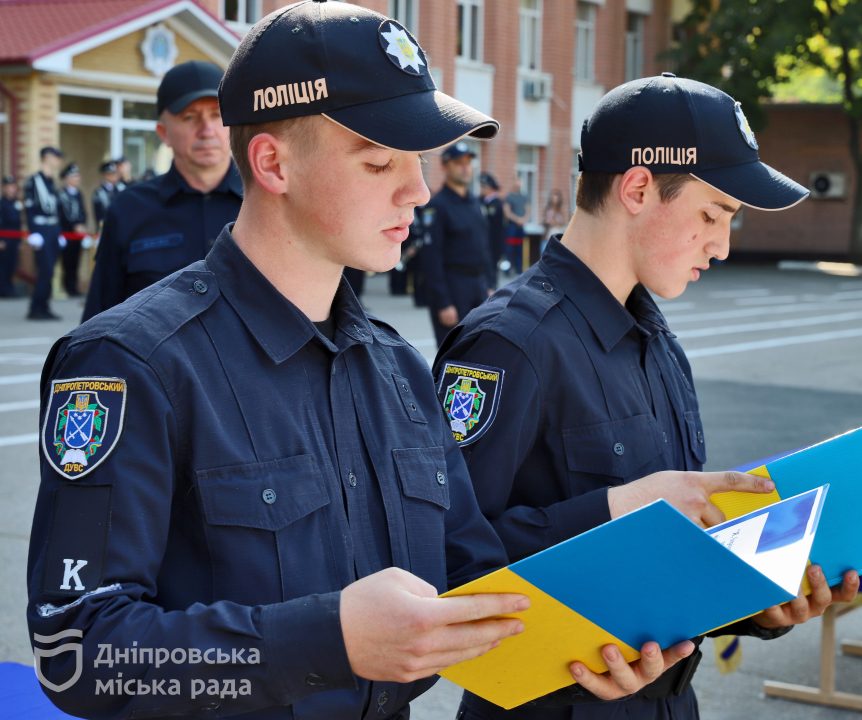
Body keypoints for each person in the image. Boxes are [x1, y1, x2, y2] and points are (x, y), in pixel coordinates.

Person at [27, 5, 688, 719]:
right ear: (274, 163)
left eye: (421, 162)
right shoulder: (134, 363)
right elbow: (81, 656)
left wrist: (596, 644)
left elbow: (477, 578)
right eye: (380, 163)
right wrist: (327, 639)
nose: (419, 190)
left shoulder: (398, 370)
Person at [434, 73, 861, 720]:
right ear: (637, 188)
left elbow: (666, 565)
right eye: (712, 214)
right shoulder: (508, 345)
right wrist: (616, 507)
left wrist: (753, 606)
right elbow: (442, 560)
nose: (721, 245)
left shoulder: (656, 341)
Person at [81, 60, 242, 322]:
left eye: (216, 115)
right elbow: (100, 318)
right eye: (190, 117)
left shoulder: (270, 201)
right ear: (163, 132)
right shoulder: (129, 210)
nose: (206, 130)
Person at [419, 141, 495, 347]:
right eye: (458, 163)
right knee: (452, 352)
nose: (465, 167)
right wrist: (443, 302)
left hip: (478, 286)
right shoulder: (437, 206)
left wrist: (490, 285)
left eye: (468, 162)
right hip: (453, 286)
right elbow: (431, 257)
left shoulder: (475, 203)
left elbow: (484, 247)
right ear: (445, 166)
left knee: (480, 349)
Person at [23, 146, 63, 320]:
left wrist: (59, 232)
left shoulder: (51, 181)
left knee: (50, 271)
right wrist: (33, 232)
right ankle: (35, 308)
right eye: (56, 157)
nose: (58, 161)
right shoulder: (33, 180)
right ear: (46, 157)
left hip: (52, 230)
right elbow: (29, 207)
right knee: (45, 270)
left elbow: (56, 209)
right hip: (41, 229)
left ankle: (44, 306)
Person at [57, 162, 88, 298]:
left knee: (76, 261)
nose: (77, 179)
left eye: (77, 176)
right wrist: (72, 227)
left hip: (78, 234)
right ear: (67, 178)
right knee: (67, 262)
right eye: (74, 176)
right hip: (66, 233)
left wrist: (82, 225)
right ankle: (67, 287)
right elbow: (61, 214)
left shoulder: (78, 194)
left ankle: (74, 287)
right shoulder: (61, 194)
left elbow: (82, 212)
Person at [0, 174, 23, 298]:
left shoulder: (16, 203)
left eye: (12, 186)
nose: (10, 189)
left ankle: (9, 288)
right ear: (3, 188)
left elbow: (18, 223)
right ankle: (3, 290)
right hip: (4, 238)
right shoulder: (1, 203)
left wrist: (19, 241)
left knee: (12, 264)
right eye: (8, 186)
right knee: (3, 265)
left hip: (14, 238)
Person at [480, 171, 505, 281]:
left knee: (491, 270)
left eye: (483, 187)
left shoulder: (496, 203)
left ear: (490, 188)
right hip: (485, 242)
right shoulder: (482, 201)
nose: (482, 189)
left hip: (493, 242)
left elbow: (491, 225)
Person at [502, 179, 528, 275]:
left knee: (519, 248)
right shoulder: (509, 197)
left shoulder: (523, 197)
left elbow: (528, 210)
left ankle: (519, 269)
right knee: (509, 249)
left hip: (520, 228)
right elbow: (507, 212)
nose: (518, 186)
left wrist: (524, 219)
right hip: (511, 227)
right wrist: (518, 220)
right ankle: (507, 270)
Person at [91, 161, 120, 232]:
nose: (114, 176)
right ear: (105, 175)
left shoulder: (120, 189)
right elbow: (98, 214)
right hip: (106, 227)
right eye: (111, 174)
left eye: (115, 173)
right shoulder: (99, 192)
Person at [541, 188, 566, 254]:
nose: (555, 198)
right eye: (553, 196)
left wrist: (554, 222)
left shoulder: (561, 210)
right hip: (548, 237)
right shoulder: (548, 209)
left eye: (556, 196)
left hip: (558, 239)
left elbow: (563, 223)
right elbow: (545, 221)